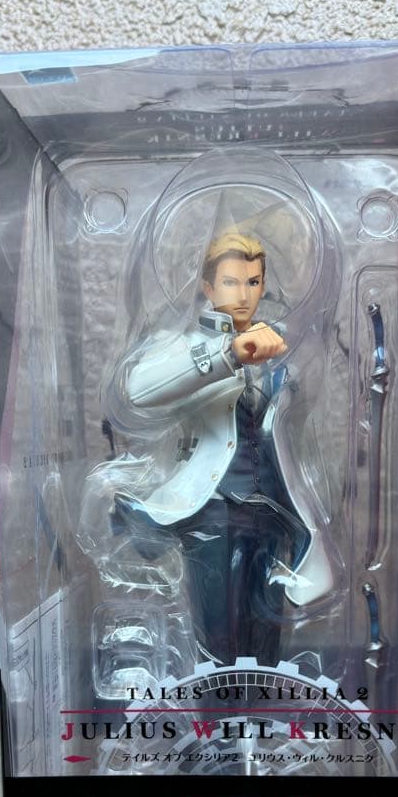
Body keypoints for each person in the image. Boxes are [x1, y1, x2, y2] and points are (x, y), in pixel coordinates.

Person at [109, 228, 336, 666]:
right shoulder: (185, 346)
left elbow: (292, 420)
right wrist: (229, 355)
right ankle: (215, 705)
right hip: (213, 508)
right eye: (230, 282)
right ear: (208, 287)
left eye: (253, 282)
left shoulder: (280, 348)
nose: (243, 294)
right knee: (218, 631)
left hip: (273, 509)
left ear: (264, 285)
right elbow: (139, 391)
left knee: (266, 627)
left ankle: (262, 704)